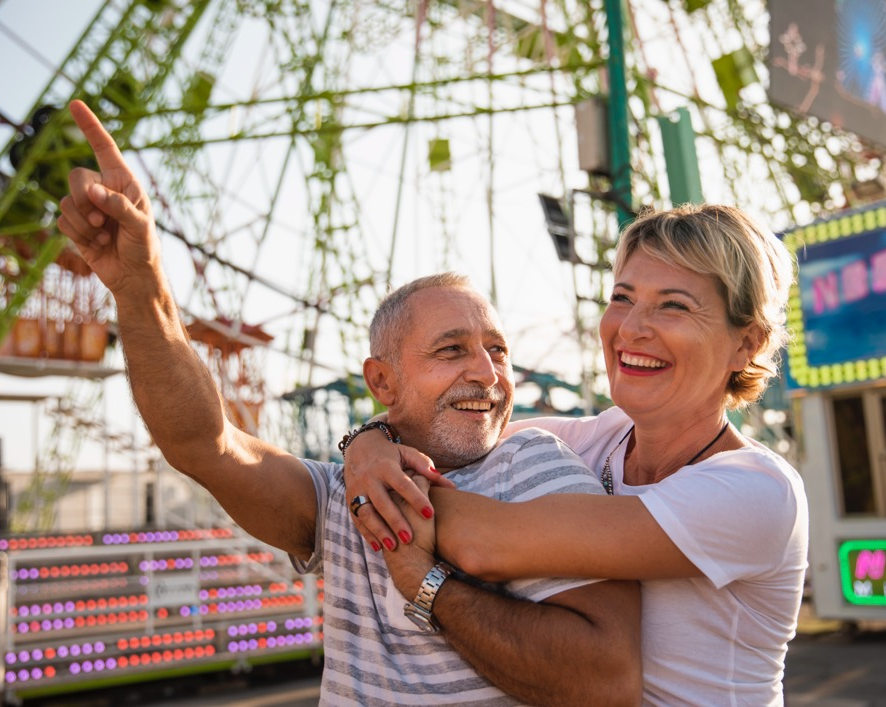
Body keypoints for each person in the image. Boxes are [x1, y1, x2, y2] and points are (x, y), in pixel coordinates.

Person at [55, 100, 642, 706]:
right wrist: (140, 285)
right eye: (451, 350)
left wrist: (426, 583)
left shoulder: (538, 466)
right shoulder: (342, 498)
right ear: (382, 384)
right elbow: (205, 444)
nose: (487, 373)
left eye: (498, 349)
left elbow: (605, 680)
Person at [344, 203, 810, 705]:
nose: (631, 328)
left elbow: (484, 544)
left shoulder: (756, 491)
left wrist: (380, 477)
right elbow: (438, 430)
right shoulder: (592, 440)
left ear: (747, 344)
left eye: (672, 306)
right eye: (622, 298)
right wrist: (367, 445)